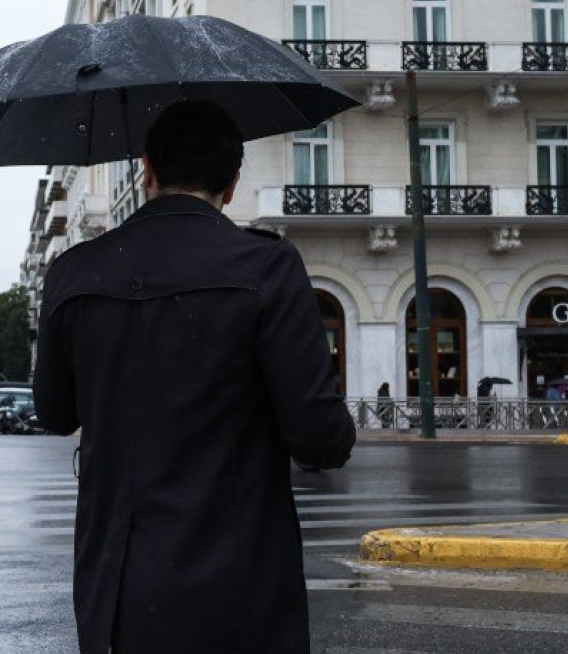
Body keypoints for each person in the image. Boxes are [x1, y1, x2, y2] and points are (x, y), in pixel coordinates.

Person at [33, 100, 357, 654]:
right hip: (239, 587)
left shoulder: (74, 271)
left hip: (117, 586)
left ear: (147, 170)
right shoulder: (266, 266)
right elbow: (319, 438)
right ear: (232, 183)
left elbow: (55, 412)